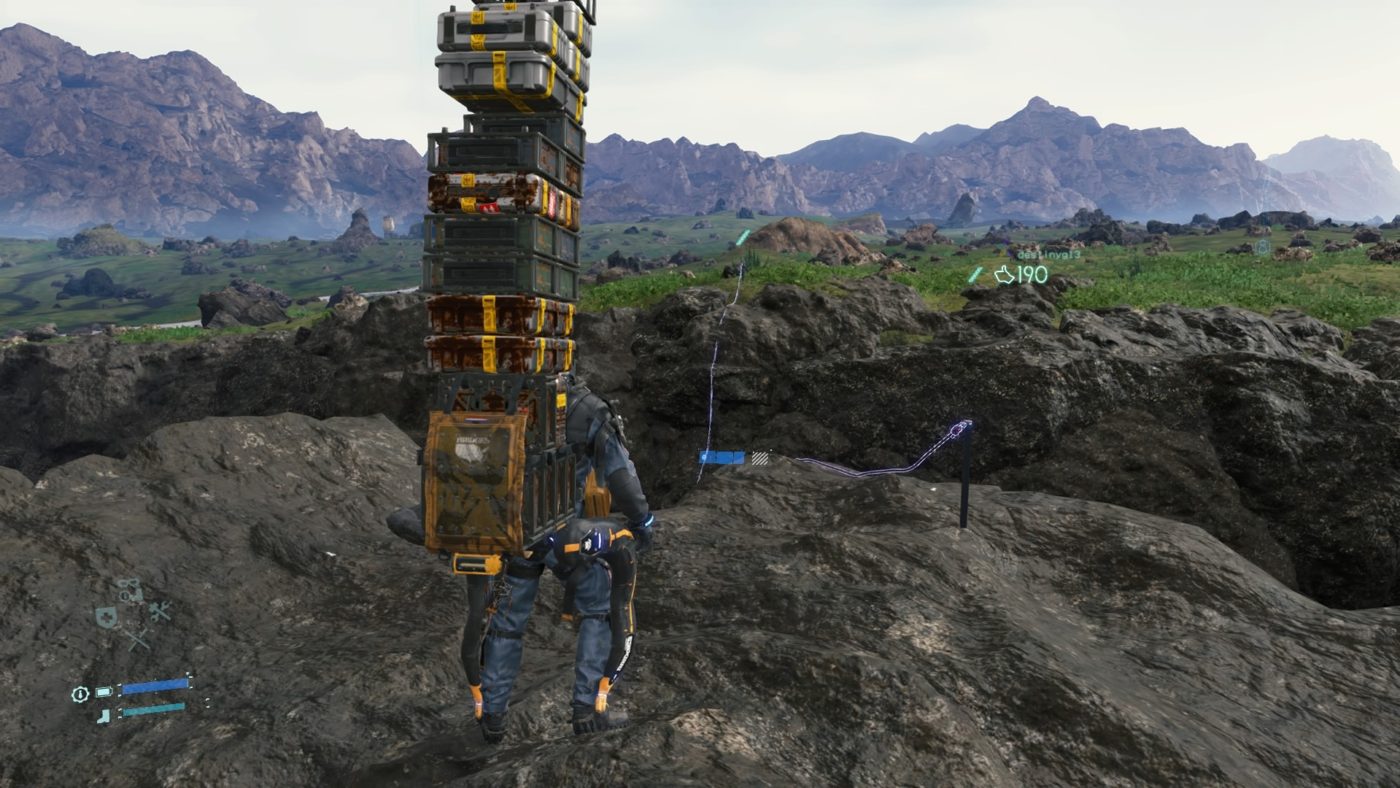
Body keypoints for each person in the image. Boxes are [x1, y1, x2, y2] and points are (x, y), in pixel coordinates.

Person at [387, 373, 656, 743]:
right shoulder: (586, 407)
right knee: (598, 605)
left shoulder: (487, 399)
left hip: (509, 538)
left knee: (505, 620)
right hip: (562, 537)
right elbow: (622, 479)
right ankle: (588, 710)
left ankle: (492, 717)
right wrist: (642, 522)